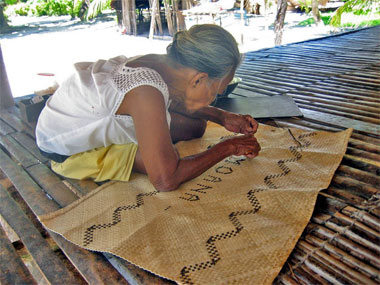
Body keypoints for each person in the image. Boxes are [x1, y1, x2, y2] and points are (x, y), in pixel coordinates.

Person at [36, 24, 261, 192]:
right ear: (198, 79)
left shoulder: (162, 64)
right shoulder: (145, 90)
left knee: (196, 127)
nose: (215, 97)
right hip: (66, 153)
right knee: (165, 162)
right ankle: (116, 155)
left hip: (69, 119)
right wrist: (230, 147)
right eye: (217, 91)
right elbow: (165, 180)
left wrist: (223, 117)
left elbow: (177, 98)